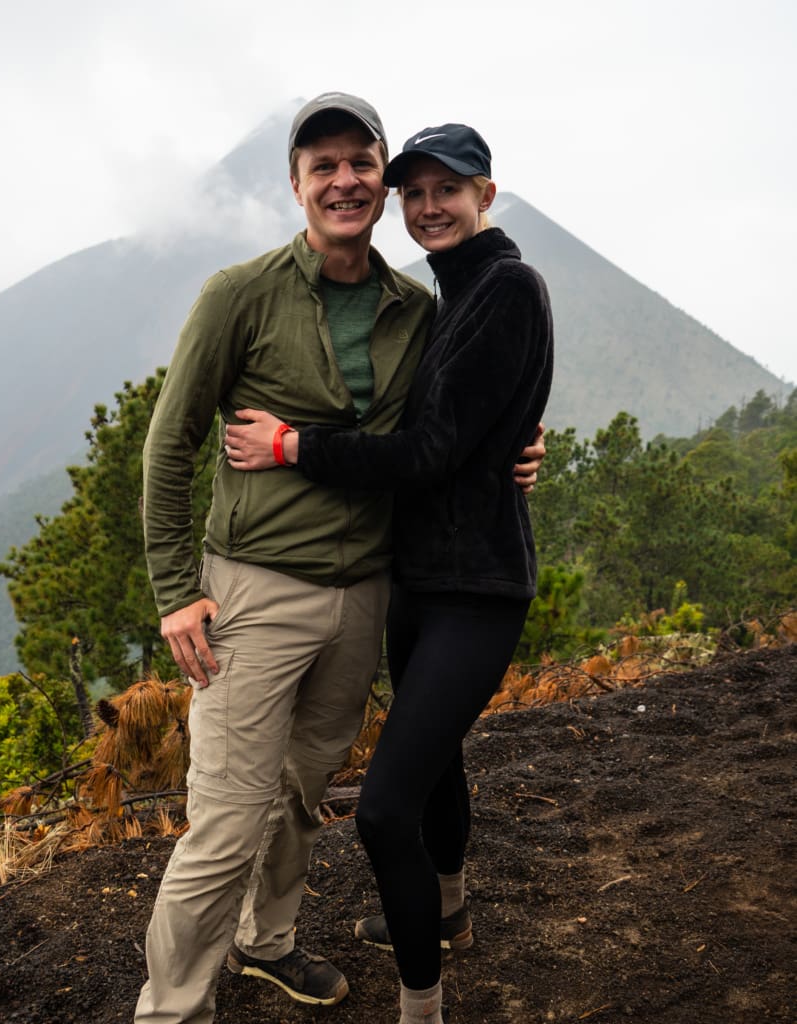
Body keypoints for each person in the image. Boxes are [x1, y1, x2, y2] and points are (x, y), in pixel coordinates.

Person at [137, 93, 545, 1023]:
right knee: (227, 818)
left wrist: (521, 447)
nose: (344, 181)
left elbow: (451, 420)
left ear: (380, 177)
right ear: (296, 186)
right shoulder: (238, 296)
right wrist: (175, 593)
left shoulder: (415, 307)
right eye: (322, 166)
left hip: (365, 592)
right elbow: (170, 444)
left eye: (360, 162)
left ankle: (268, 940)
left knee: (300, 793)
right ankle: (171, 1010)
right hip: (253, 591)